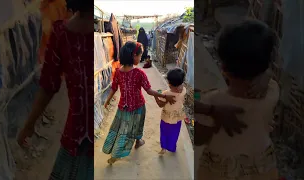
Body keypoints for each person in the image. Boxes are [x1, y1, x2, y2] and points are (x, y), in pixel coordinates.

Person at [17, 0, 93, 179]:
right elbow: (49, 85)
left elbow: (48, 86)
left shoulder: (61, 33)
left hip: (74, 137)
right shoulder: (65, 33)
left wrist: (29, 125)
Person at [195, 20, 279, 180]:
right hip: (261, 169)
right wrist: (267, 75)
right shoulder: (272, 91)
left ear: (224, 69)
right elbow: (271, 79)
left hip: (220, 173)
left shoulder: (212, 100)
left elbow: (199, 138)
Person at [102, 41, 176, 164]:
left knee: (121, 128)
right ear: (133, 56)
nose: (141, 58)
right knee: (134, 127)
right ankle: (117, 154)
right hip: (138, 106)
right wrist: (163, 96)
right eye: (140, 55)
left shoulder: (118, 72)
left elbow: (114, 88)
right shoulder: (139, 73)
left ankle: (134, 143)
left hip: (123, 107)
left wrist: (107, 101)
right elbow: (149, 91)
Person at [154, 68, 186, 155]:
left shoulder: (166, 94)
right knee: (174, 134)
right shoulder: (184, 90)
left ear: (169, 83)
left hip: (166, 118)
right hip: (177, 118)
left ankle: (163, 147)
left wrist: (156, 95)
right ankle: (172, 148)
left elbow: (160, 104)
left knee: (164, 132)